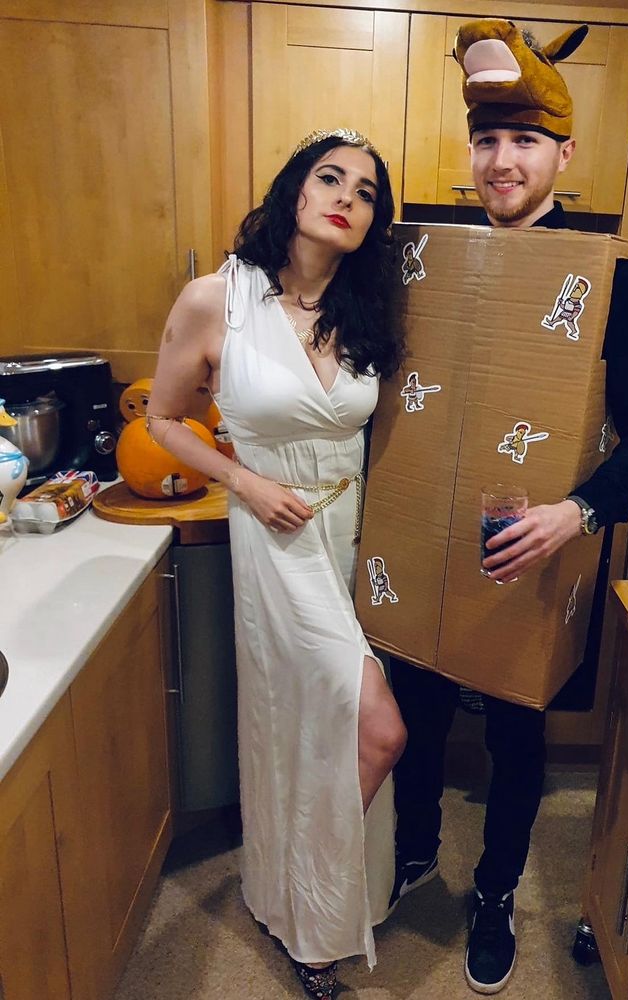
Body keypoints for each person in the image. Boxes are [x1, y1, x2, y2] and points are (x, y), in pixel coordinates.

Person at [387, 19, 628, 995]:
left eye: (523, 140)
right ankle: (413, 849)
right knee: (418, 718)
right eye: (486, 140)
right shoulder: (432, 263)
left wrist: (576, 514)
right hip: (428, 541)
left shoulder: (607, 277)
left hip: (537, 544)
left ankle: (496, 891)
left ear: (564, 154)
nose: (501, 160)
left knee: (515, 742)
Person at [145, 128, 407, 1000]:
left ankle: (301, 891)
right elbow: (162, 419)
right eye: (330, 178)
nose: (346, 199)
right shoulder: (216, 297)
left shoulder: (366, 311)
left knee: (313, 723)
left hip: (355, 539)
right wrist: (244, 481)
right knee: (377, 730)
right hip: (276, 535)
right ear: (294, 190)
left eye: (365, 193)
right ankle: (314, 920)